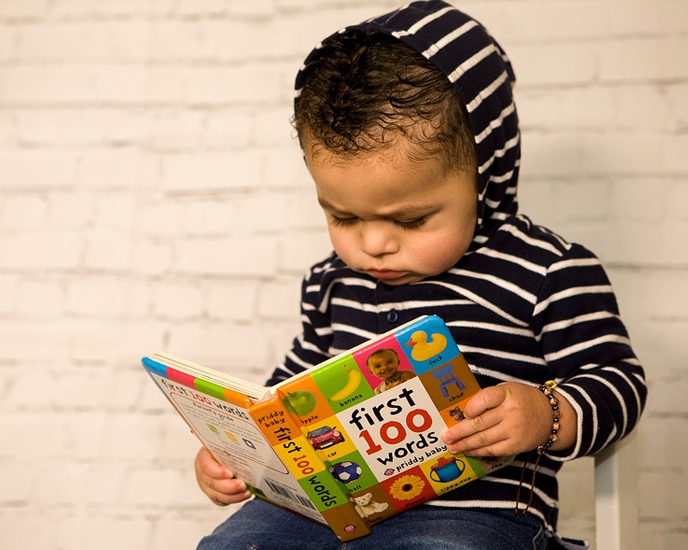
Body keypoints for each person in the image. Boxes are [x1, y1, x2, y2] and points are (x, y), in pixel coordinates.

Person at [193, 2, 647, 549]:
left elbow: (619, 383)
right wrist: (243, 449)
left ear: (485, 174)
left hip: (476, 518)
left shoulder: (548, 272)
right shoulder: (332, 283)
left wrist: (550, 414)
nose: (375, 244)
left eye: (411, 219)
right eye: (342, 216)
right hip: (331, 513)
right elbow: (288, 394)